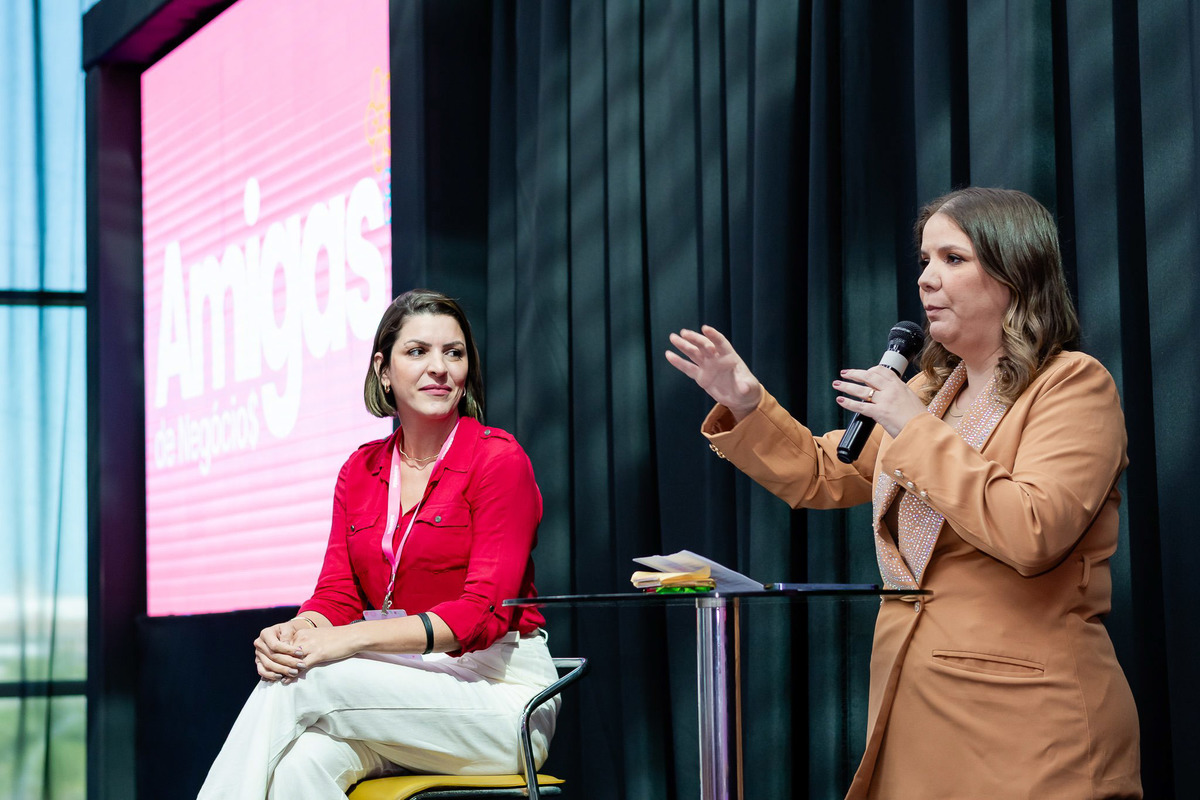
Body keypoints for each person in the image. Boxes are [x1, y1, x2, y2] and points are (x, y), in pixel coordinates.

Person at [666, 188, 1141, 798]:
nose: (925, 279)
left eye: (952, 259)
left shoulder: (1072, 384)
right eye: (924, 260)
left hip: (1029, 720)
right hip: (916, 708)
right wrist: (746, 403)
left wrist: (910, 425)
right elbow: (823, 473)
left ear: (1014, 273)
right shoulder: (930, 390)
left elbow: (1033, 531)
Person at [199, 289, 557, 799]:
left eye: (453, 353)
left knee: (308, 679)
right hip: (401, 691)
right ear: (383, 370)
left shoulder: (498, 460)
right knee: (300, 764)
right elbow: (337, 595)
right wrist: (295, 634)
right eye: (418, 351)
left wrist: (348, 641)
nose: (439, 368)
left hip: (502, 699)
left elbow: (480, 616)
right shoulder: (360, 469)